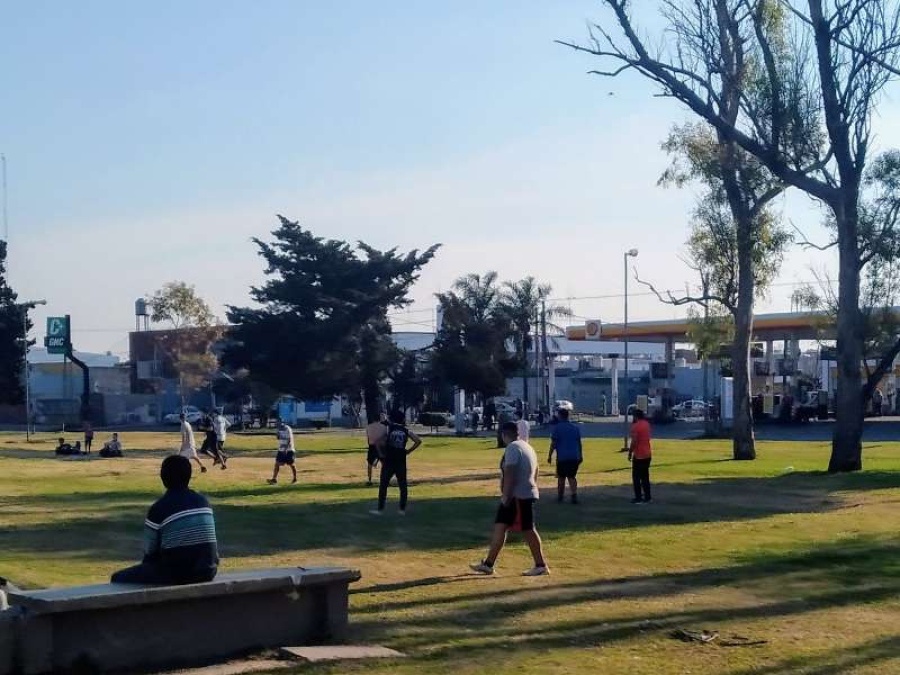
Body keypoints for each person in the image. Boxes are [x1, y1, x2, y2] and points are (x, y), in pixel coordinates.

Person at [111, 455, 218, 585]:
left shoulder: (159, 508)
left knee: (118, 578)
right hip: (207, 571)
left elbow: (149, 551)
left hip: (176, 574)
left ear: (163, 477)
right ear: (189, 476)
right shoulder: (203, 502)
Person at [470, 421, 549, 577]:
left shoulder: (513, 448)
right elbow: (536, 470)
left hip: (517, 496)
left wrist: (506, 495)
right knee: (500, 527)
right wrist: (532, 486)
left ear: (504, 434)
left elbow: (510, 473)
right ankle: (488, 564)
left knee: (528, 529)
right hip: (522, 493)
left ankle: (541, 565)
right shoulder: (527, 446)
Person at [370, 410, 421, 516]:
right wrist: (408, 451)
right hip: (401, 460)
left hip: (389, 460)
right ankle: (402, 510)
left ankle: (380, 509)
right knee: (402, 485)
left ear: (392, 418)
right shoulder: (405, 430)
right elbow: (418, 440)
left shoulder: (390, 428)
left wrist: (381, 454)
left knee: (383, 485)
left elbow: (378, 441)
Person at [548, 408, 583, 504]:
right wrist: (580, 455)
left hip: (562, 457)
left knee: (561, 477)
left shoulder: (557, 428)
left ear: (560, 416)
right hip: (574, 456)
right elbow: (579, 443)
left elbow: (553, 443)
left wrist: (550, 455)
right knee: (572, 477)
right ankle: (574, 495)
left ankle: (560, 496)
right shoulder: (575, 428)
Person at [628, 408, 653, 504]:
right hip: (647, 454)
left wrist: (630, 452)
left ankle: (638, 497)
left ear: (635, 416)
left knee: (636, 477)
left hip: (639, 455)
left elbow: (634, 441)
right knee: (645, 477)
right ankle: (648, 497)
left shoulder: (635, 426)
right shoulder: (647, 424)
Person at [268, 419, 297, 485]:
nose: (277, 424)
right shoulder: (279, 429)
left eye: (279, 423)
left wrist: (285, 449)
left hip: (289, 449)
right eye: (277, 423)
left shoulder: (287, 428)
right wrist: (277, 433)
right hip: (281, 449)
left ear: (282, 423)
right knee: (277, 464)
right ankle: (274, 479)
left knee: (291, 464)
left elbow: (289, 439)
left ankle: (295, 479)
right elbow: (278, 438)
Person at [365, 412, 389, 486]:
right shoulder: (384, 427)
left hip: (372, 446)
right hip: (382, 446)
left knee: (369, 464)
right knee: (384, 464)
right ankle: (385, 479)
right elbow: (386, 438)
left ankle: (369, 479)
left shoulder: (368, 427)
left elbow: (368, 439)